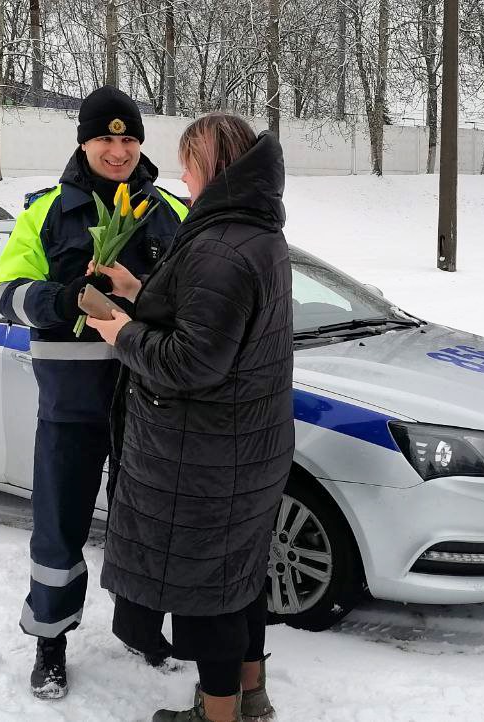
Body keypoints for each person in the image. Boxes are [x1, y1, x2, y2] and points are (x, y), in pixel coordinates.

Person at [86, 114, 294, 722]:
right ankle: (251, 697)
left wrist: (122, 332)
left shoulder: (221, 245)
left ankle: (219, 714)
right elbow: (212, 315)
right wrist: (140, 286)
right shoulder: (254, 232)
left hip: (204, 454)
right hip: (244, 446)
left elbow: (192, 360)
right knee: (241, 578)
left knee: (210, 597)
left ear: (210, 166)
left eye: (187, 163)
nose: (180, 175)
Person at [0, 85, 188, 701]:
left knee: (148, 521)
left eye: (129, 138)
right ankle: (50, 642)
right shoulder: (44, 211)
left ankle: (142, 628)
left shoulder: (170, 213)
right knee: (59, 525)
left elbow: (193, 300)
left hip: (151, 397)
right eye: (106, 138)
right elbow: (7, 298)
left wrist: (143, 295)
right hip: (71, 401)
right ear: (83, 140)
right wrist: (61, 299)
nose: (118, 150)